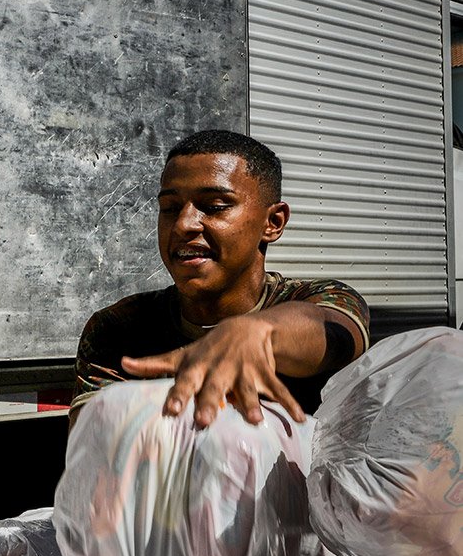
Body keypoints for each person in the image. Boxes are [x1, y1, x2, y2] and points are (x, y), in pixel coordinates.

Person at [71, 129, 369, 427]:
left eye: (214, 207)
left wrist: (256, 334)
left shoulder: (315, 297)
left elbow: (335, 332)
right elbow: (94, 449)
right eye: (170, 208)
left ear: (273, 222)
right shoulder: (118, 329)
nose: (183, 225)